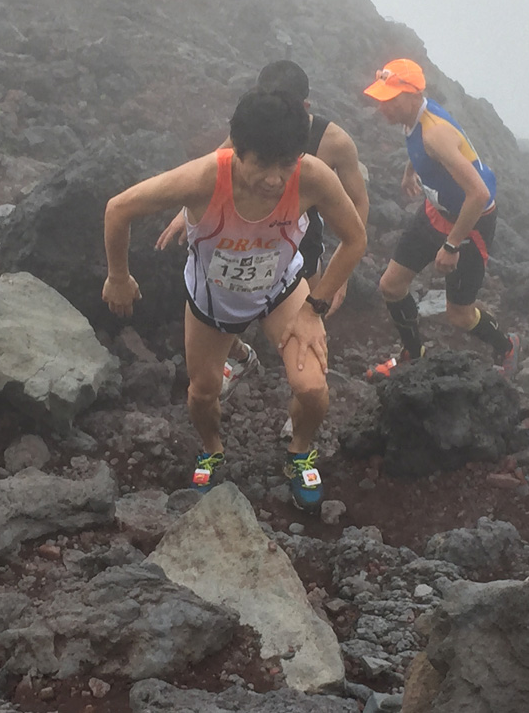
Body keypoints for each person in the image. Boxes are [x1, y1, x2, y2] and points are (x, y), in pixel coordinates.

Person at [103, 89, 366, 512]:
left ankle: (299, 452)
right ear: (236, 150)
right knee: (204, 393)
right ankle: (212, 449)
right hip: (214, 301)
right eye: (261, 162)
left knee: (314, 388)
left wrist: (314, 307)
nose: (275, 180)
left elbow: (355, 239)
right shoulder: (204, 178)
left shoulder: (313, 176)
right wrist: (118, 275)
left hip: (281, 291)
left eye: (287, 163)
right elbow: (118, 208)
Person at [155, 61, 369, 404]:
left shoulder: (335, 143)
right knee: (225, 302)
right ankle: (240, 357)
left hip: (299, 231)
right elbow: (215, 168)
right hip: (240, 229)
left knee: (308, 327)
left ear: (304, 108)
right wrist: (186, 212)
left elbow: (358, 202)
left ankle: (301, 407)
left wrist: (339, 279)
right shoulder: (256, 128)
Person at [362, 58, 519, 378]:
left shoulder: (436, 133)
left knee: (459, 315)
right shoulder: (413, 116)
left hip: (470, 222)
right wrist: (411, 171)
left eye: (388, 101)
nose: (382, 109)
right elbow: (417, 144)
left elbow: (478, 195)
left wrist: (451, 246)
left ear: (410, 95)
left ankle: (507, 346)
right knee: (391, 286)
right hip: (436, 211)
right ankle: (413, 354)